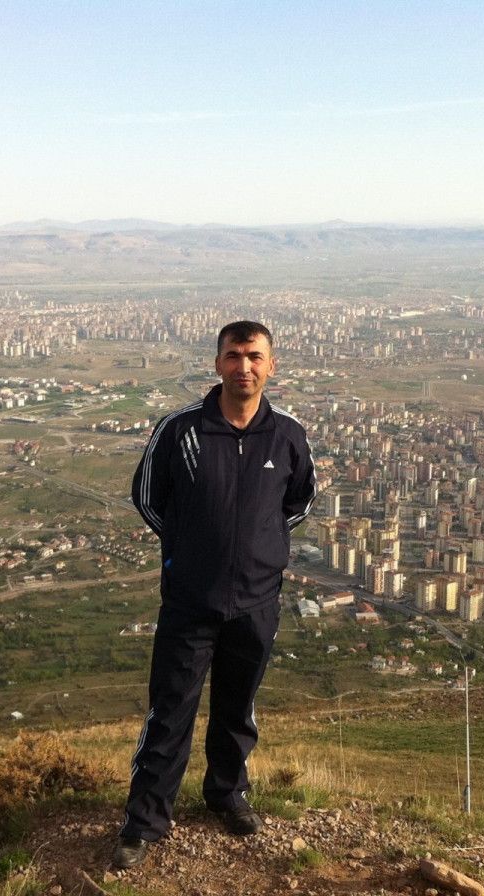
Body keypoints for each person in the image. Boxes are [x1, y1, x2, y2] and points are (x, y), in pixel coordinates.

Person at [112, 320, 317, 869]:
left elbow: (299, 502)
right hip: (190, 599)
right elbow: (148, 497)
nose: (243, 367)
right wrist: (187, 551)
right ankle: (144, 820)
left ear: (271, 365)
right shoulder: (181, 430)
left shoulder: (288, 435)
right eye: (233, 355)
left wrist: (262, 549)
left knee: (237, 707)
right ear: (218, 362)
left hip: (256, 601)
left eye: (254, 356)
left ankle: (227, 795)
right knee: (170, 710)